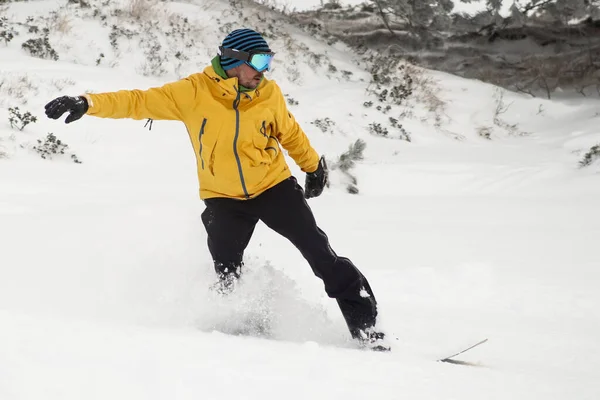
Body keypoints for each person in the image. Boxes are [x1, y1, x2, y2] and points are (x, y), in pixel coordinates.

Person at [44, 28, 389, 351]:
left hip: (274, 187)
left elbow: (290, 132)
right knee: (227, 271)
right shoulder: (193, 92)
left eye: (269, 61)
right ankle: (239, 330)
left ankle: (368, 331)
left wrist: (313, 166)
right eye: (258, 62)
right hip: (222, 198)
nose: (264, 71)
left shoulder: (268, 93)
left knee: (321, 257)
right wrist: (87, 103)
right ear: (233, 61)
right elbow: (138, 101)